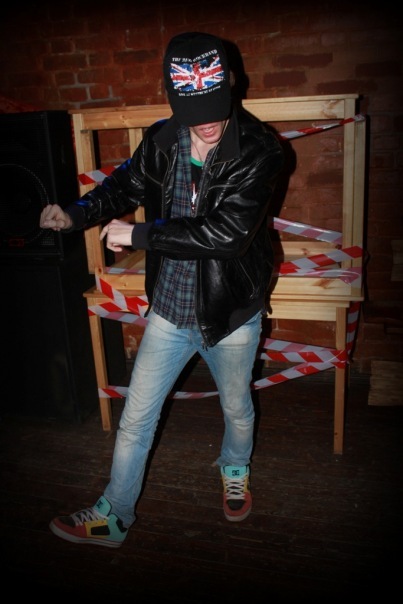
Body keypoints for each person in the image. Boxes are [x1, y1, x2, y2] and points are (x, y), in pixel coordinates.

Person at [40, 31, 284, 548]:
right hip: (170, 311)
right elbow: (123, 185)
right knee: (135, 419)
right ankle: (114, 516)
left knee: (236, 408)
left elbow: (227, 235)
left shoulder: (261, 149)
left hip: (231, 313)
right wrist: (77, 213)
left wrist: (141, 235)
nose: (208, 122)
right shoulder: (161, 141)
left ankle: (234, 467)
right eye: (194, 112)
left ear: (231, 84)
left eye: (216, 106)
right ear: (174, 100)